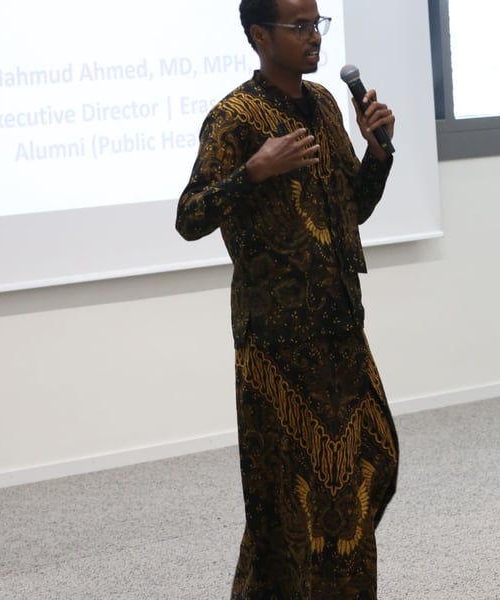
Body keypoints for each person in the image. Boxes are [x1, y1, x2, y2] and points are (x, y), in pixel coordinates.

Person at [175, 0, 398, 597]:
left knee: (368, 468)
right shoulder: (234, 119)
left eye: (317, 24)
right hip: (276, 339)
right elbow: (190, 217)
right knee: (286, 504)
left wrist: (378, 154)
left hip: (339, 324)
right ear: (259, 34)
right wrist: (254, 171)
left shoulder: (324, 105)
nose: (313, 36)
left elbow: (351, 208)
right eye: (298, 26)